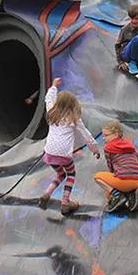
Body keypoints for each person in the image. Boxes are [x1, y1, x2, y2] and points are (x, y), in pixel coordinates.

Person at [38, 77, 100, 215]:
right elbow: (87, 136)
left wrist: (54, 86)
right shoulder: (74, 119)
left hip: (49, 153)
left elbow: (48, 99)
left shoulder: (51, 113)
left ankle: (47, 193)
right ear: (73, 105)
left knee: (60, 174)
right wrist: (95, 149)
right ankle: (65, 202)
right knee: (71, 174)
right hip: (64, 156)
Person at [94, 122, 138, 213]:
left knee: (98, 177)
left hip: (125, 181)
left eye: (106, 135)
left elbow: (111, 168)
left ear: (116, 135)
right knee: (112, 190)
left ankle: (118, 196)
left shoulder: (109, 148)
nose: (103, 138)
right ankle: (132, 194)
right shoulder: (130, 146)